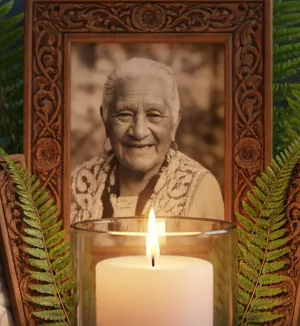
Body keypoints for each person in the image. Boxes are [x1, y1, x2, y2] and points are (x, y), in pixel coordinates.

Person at [70, 57, 225, 222]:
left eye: (154, 115)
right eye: (125, 114)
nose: (139, 132)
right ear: (105, 119)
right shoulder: (76, 185)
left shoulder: (202, 189)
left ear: (175, 122)